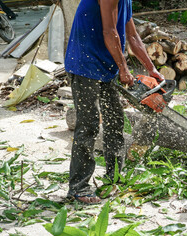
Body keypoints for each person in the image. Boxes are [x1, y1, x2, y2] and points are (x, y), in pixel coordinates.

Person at [64, 0, 164, 204]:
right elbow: (109, 32)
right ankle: (79, 188)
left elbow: (133, 35)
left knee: (115, 121)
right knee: (89, 124)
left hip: (105, 63)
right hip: (85, 62)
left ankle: (114, 177)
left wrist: (151, 68)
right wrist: (124, 69)